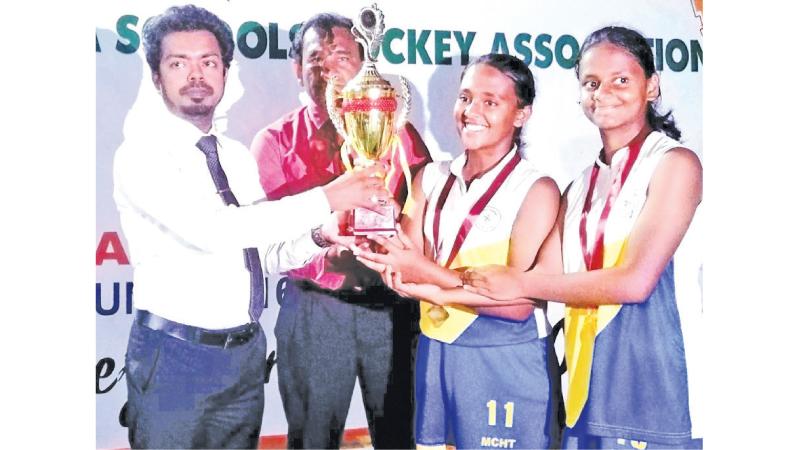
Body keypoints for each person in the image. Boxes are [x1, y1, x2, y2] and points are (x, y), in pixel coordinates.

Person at [113, 5, 390, 449]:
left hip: (243, 357)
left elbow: (262, 252)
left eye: (208, 62)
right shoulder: (142, 154)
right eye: (178, 63)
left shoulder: (235, 155)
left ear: (225, 71)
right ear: (156, 76)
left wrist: (320, 235)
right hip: (176, 361)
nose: (196, 75)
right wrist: (328, 197)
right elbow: (213, 231)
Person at [460, 26, 704, 449]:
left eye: (621, 80)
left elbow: (635, 282)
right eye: (591, 83)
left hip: (658, 391)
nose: (603, 92)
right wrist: (418, 273)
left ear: (653, 86)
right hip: (585, 390)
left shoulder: (675, 164)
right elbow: (537, 282)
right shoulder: (577, 188)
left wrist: (521, 282)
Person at [354, 53, 561, 449]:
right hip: (436, 350)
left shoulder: (536, 189)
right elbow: (405, 266)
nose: (471, 111)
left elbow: (518, 303)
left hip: (504, 355)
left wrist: (427, 280)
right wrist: (376, 231)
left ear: (522, 114)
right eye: (465, 97)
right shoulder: (431, 177)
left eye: (490, 101)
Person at [249, 12, 431, 449]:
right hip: (316, 310)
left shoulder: (395, 130)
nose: (329, 66)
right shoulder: (274, 142)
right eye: (316, 56)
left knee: (399, 435)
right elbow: (266, 243)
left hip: (390, 307)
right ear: (297, 68)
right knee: (312, 438)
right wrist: (325, 237)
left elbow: (422, 210)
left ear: (364, 62)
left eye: (342, 55)